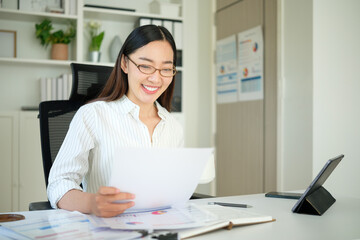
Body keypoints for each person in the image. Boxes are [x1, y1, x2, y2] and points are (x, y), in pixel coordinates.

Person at [47, 25, 184, 218]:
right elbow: (58, 184)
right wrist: (92, 203)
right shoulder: (93, 115)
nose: (155, 78)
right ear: (125, 64)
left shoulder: (173, 126)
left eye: (166, 69)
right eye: (145, 66)